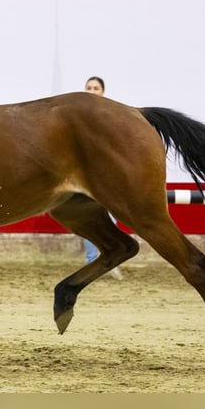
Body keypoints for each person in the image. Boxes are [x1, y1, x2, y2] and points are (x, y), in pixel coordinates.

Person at [82, 76, 123, 280]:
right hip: (85, 175)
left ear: (102, 91)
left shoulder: (109, 115)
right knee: (89, 218)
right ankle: (92, 261)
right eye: (88, 88)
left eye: (95, 88)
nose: (91, 91)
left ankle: (109, 259)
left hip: (106, 175)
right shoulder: (78, 116)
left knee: (110, 217)